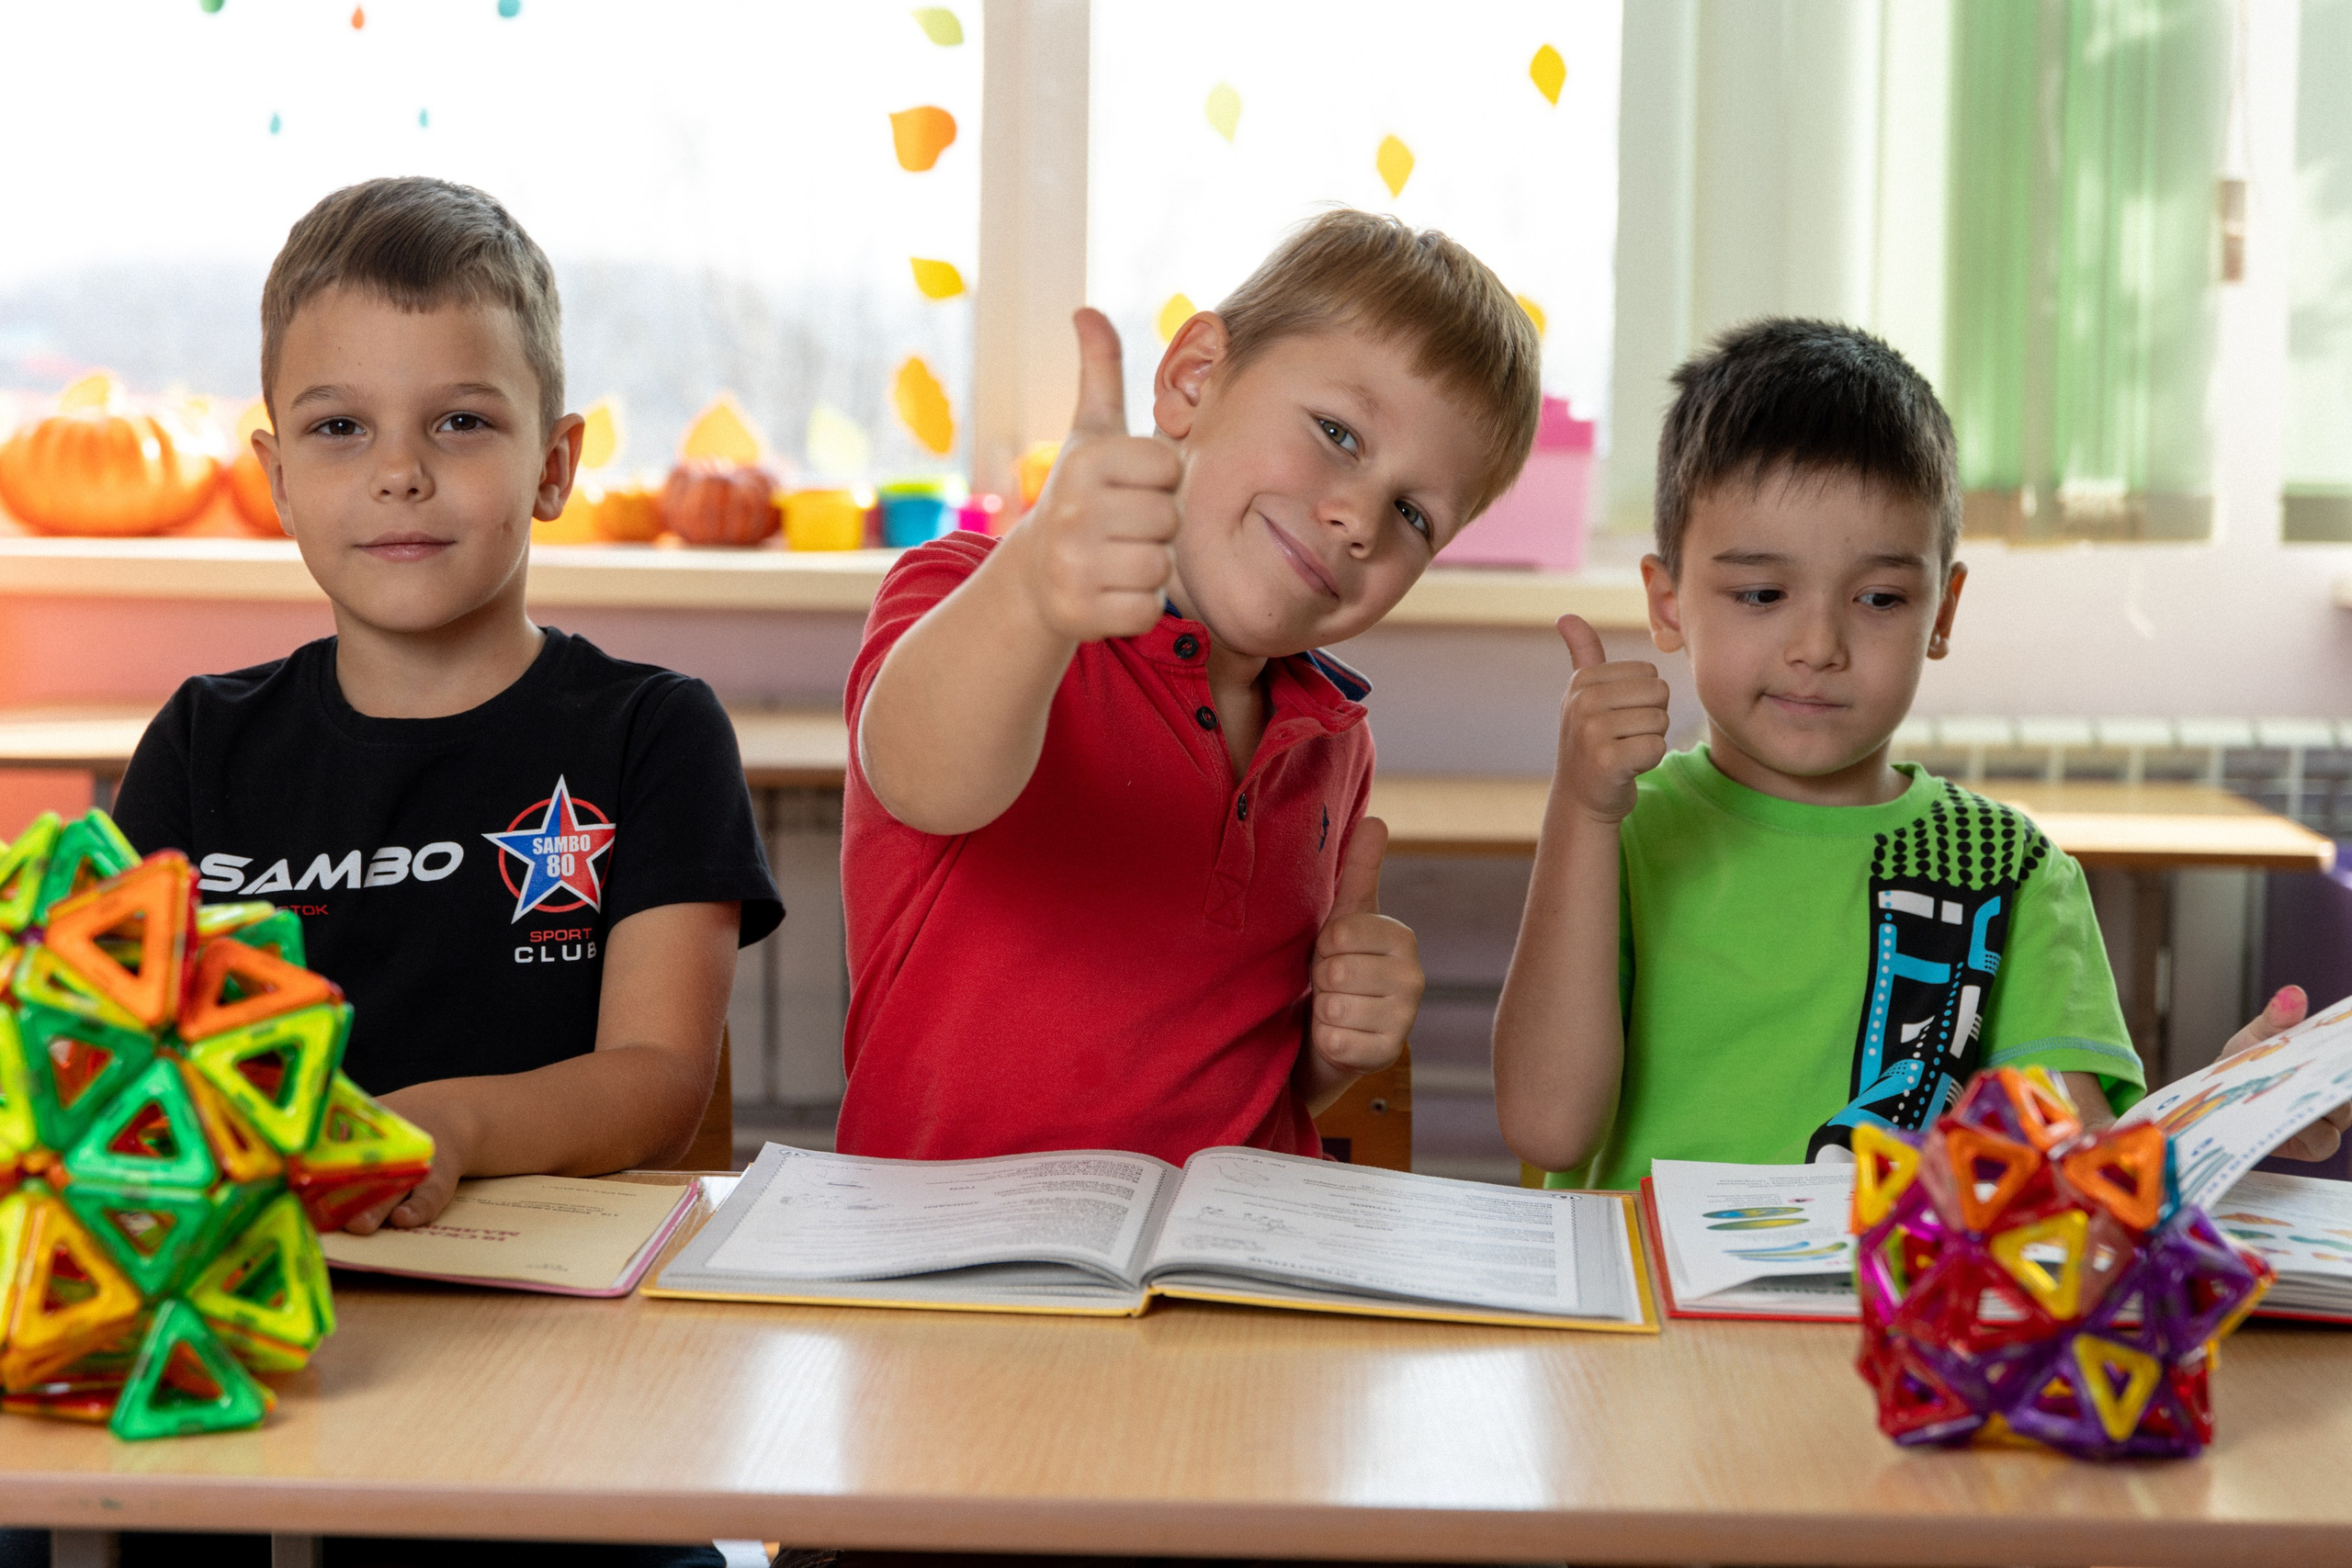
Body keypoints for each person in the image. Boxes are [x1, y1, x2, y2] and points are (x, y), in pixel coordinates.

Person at [112, 176, 783, 1241]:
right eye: (340, 427)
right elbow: (113, 1059)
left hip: (563, 1309)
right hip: (264, 1271)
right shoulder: (201, 744)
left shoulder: (654, 732)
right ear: (277, 480)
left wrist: (452, 1129)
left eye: (461, 421)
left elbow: (656, 1085)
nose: (400, 473)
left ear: (552, 467)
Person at [841, 209, 1541, 1164]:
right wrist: (1036, 586)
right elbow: (923, 776)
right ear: (1193, 379)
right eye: (1338, 433)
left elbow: (1237, 1072)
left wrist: (1338, 1046)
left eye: (1414, 514)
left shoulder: (1333, 744)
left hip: (1227, 1276)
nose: (1358, 521)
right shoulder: (970, 597)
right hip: (959, 1281)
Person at [1492, 318, 2145, 1189]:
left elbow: (2080, 1171)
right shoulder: (1622, 831)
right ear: (1670, 602)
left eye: (1878, 598)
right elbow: (1547, 1127)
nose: (1817, 644)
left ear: (1941, 613)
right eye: (1761, 592)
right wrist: (1580, 808)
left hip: (1886, 1319)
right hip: (1645, 1315)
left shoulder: (2006, 870)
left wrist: (2237, 1106)